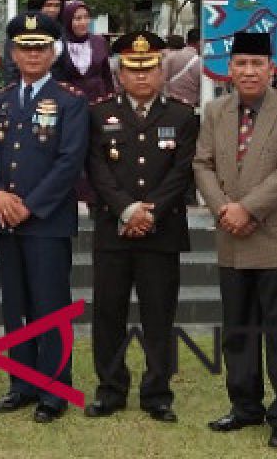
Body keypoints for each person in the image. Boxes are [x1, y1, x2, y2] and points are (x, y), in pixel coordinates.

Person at [193, 30, 277, 450]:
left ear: (271, 69)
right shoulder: (215, 110)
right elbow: (202, 163)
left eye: (256, 64)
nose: (248, 71)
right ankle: (245, 406)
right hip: (232, 237)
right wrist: (223, 209)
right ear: (230, 68)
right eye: (240, 63)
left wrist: (247, 209)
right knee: (238, 330)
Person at [84, 31, 198, 424]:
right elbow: (96, 169)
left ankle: (157, 393)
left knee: (159, 315)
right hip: (113, 231)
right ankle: (110, 390)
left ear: (162, 70)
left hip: (161, 231)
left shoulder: (183, 116)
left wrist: (150, 213)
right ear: (120, 73)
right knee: (108, 315)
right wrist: (127, 209)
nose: (142, 77)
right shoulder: (98, 115)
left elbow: (182, 171)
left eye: (149, 68)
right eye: (133, 69)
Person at [0, 13, 89, 424]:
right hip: (6, 219)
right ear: (13, 52)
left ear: (53, 52)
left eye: (41, 47)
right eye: (25, 47)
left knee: (50, 306)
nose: (33, 54)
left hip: (46, 220)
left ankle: (53, 387)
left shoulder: (71, 101)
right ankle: (22, 382)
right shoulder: (0, 101)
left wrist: (28, 205)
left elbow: (70, 163)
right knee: (16, 304)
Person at [53, 0, 115, 101]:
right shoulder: (58, 45)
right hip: (70, 103)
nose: (83, 22)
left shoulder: (99, 42)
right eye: (78, 18)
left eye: (86, 17)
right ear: (68, 21)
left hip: (99, 101)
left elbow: (106, 75)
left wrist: (111, 97)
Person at [161, 27, 202, 104]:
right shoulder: (202, 62)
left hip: (170, 103)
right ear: (199, 43)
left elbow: (160, 80)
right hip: (192, 105)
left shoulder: (171, 57)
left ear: (187, 41)